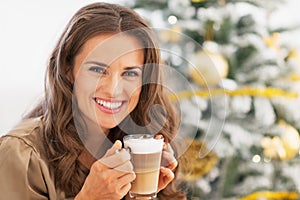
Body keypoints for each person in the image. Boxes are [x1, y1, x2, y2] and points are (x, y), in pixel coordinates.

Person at [0, 2, 186, 200]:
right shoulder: (20, 155)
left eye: (130, 73)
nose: (113, 89)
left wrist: (142, 196)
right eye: (97, 70)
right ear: (67, 70)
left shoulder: (142, 147)